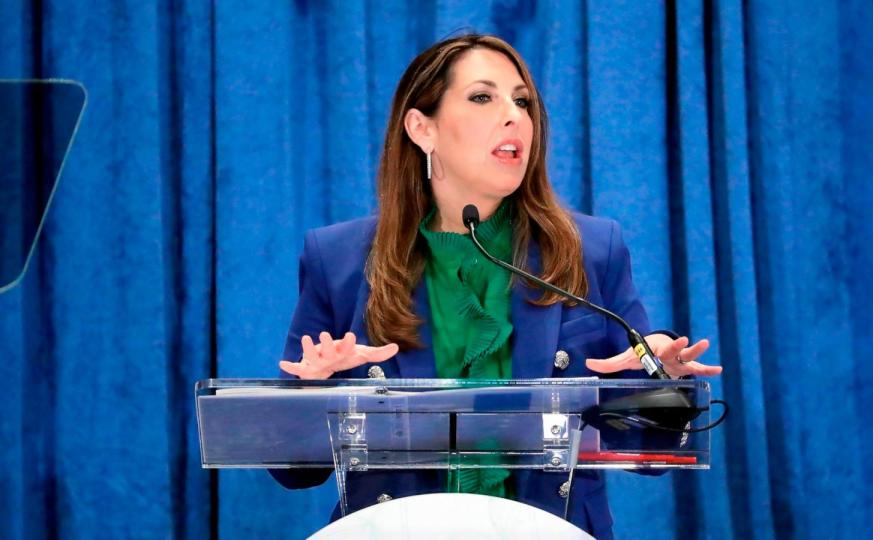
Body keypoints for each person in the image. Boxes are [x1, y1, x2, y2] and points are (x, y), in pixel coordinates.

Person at [271, 33, 722, 539]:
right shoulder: (338, 259)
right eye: (483, 97)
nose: (515, 115)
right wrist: (313, 394)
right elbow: (293, 471)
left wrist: (658, 384)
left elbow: (649, 454)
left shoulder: (593, 249)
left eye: (522, 100)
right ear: (422, 128)